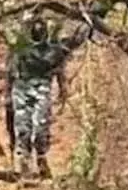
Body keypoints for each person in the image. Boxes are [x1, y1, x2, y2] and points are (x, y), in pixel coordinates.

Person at [5, 14, 89, 179]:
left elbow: (59, 68)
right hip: (22, 88)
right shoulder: (20, 48)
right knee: (23, 127)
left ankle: (41, 158)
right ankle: (24, 163)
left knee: (41, 126)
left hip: (42, 88)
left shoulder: (52, 49)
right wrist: (8, 93)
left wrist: (63, 88)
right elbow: (10, 70)